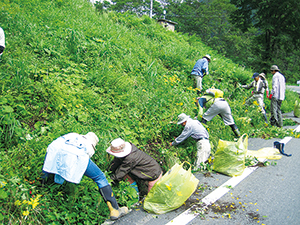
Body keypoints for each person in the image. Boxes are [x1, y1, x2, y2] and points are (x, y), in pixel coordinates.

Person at [42, 132, 128, 221]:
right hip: (75, 153)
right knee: (100, 177)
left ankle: (41, 187)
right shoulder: (88, 145)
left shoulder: (73, 135)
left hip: (55, 148)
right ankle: (115, 210)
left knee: (49, 167)